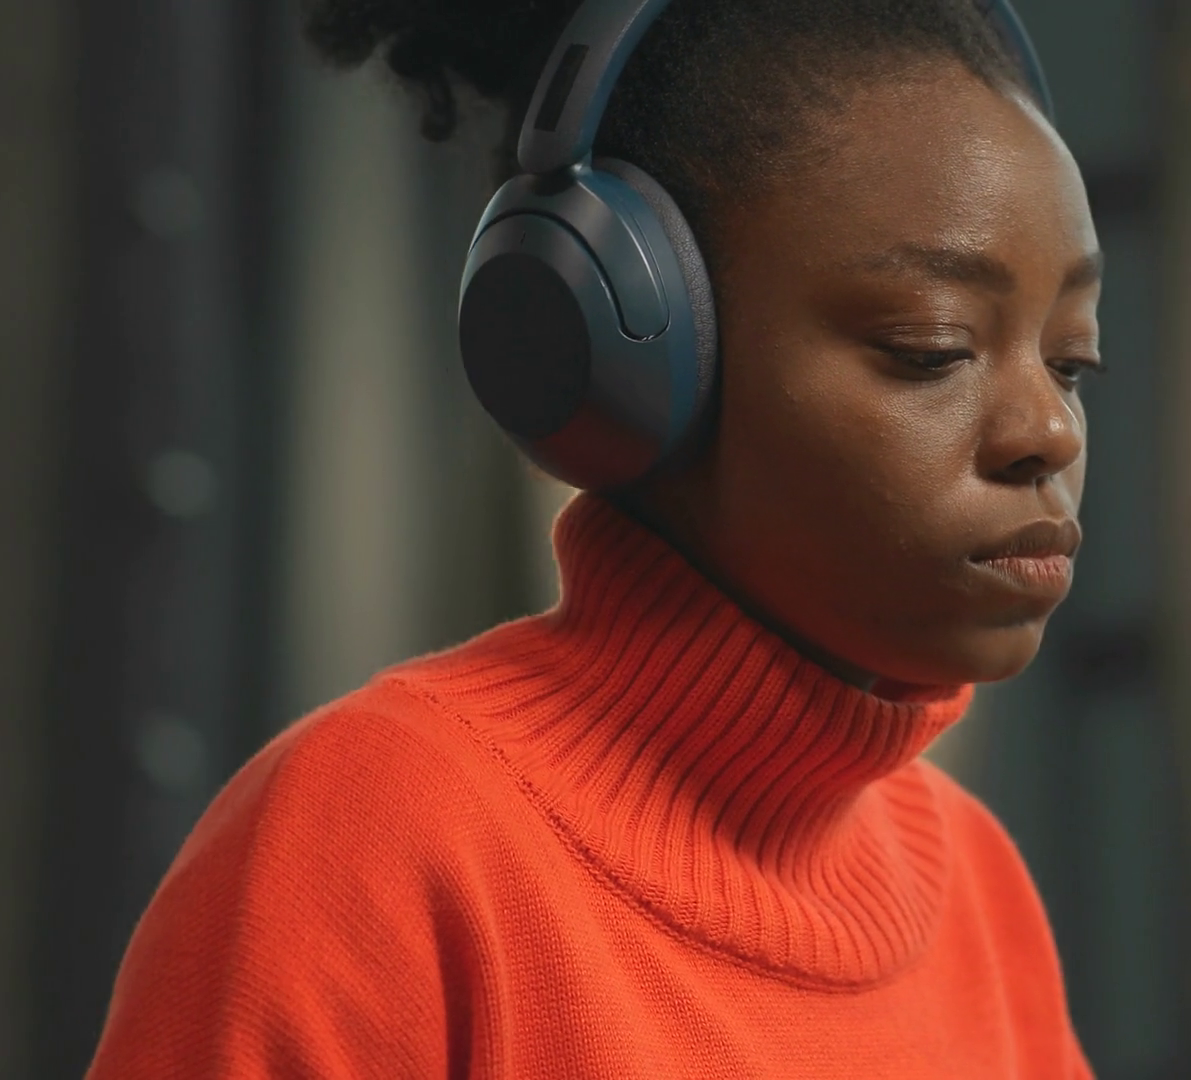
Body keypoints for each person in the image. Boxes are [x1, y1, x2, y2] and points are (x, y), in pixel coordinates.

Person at [85, 0, 1102, 1075]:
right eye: (932, 346)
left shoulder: (978, 891)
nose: (1049, 430)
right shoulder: (369, 839)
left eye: (1072, 361)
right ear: (634, 351)